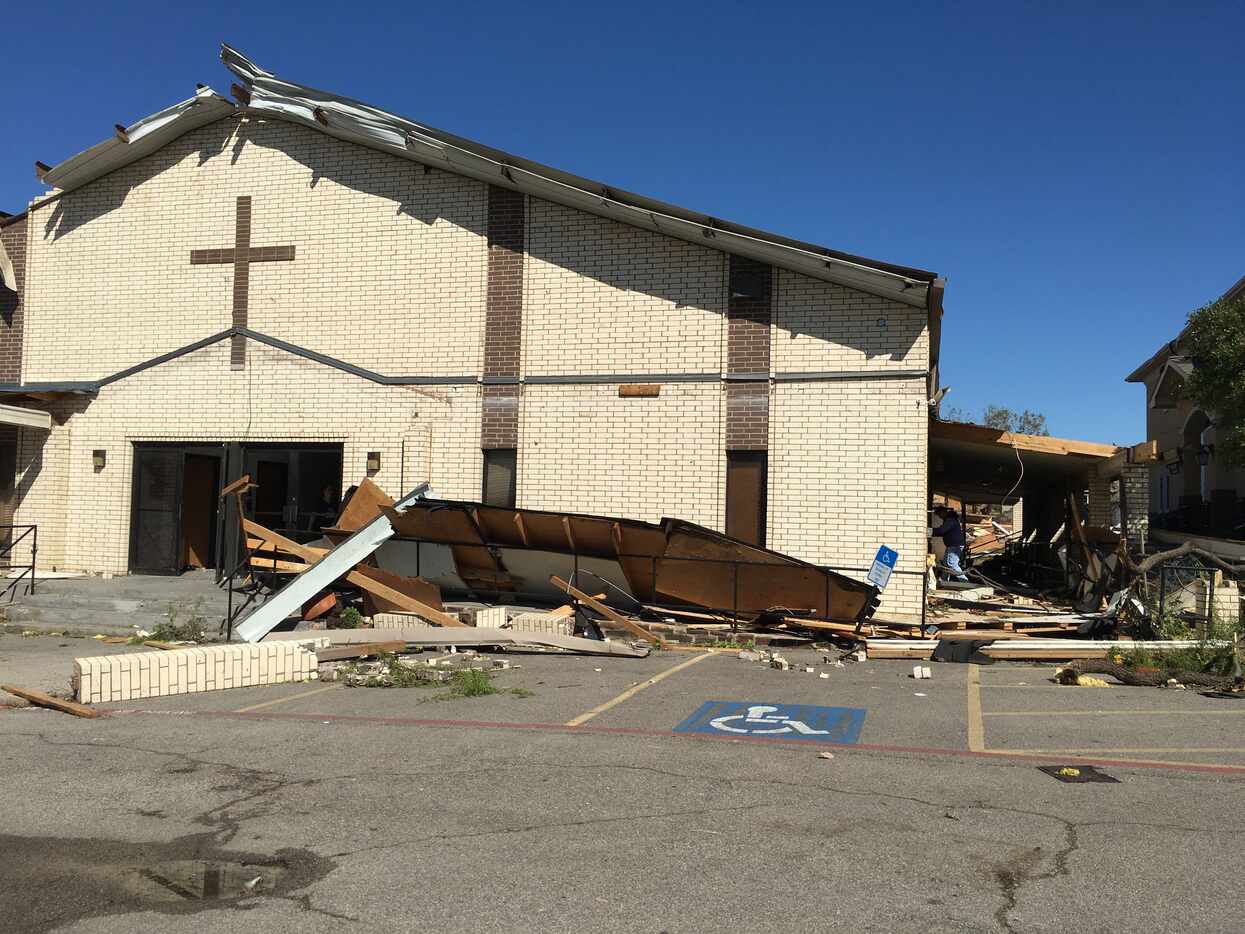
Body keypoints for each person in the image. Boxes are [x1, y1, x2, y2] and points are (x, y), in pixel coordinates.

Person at [932, 506, 969, 582]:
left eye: (939, 514)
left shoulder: (950, 520)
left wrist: (929, 531)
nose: (939, 517)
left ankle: (964, 581)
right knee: (946, 564)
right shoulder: (949, 519)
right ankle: (944, 581)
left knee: (952, 564)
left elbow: (942, 530)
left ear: (943, 512)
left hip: (955, 545)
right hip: (952, 545)